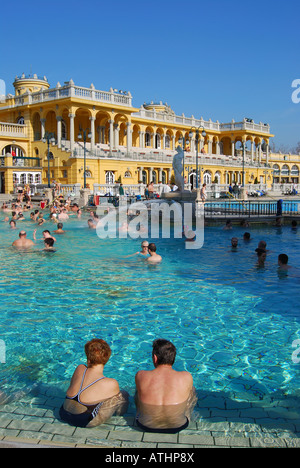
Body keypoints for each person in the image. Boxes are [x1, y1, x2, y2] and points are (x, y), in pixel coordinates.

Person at [60, 339, 128, 428]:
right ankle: (120, 417)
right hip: (84, 421)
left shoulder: (80, 368)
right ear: (107, 358)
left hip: (63, 413)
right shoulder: (111, 383)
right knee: (122, 395)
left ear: (88, 359)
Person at [135, 339, 197, 433]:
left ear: (155, 358)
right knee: (191, 390)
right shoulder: (186, 376)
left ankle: (139, 413)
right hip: (178, 425)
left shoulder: (141, 375)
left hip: (146, 424)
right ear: (173, 358)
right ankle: (188, 415)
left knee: (138, 390)